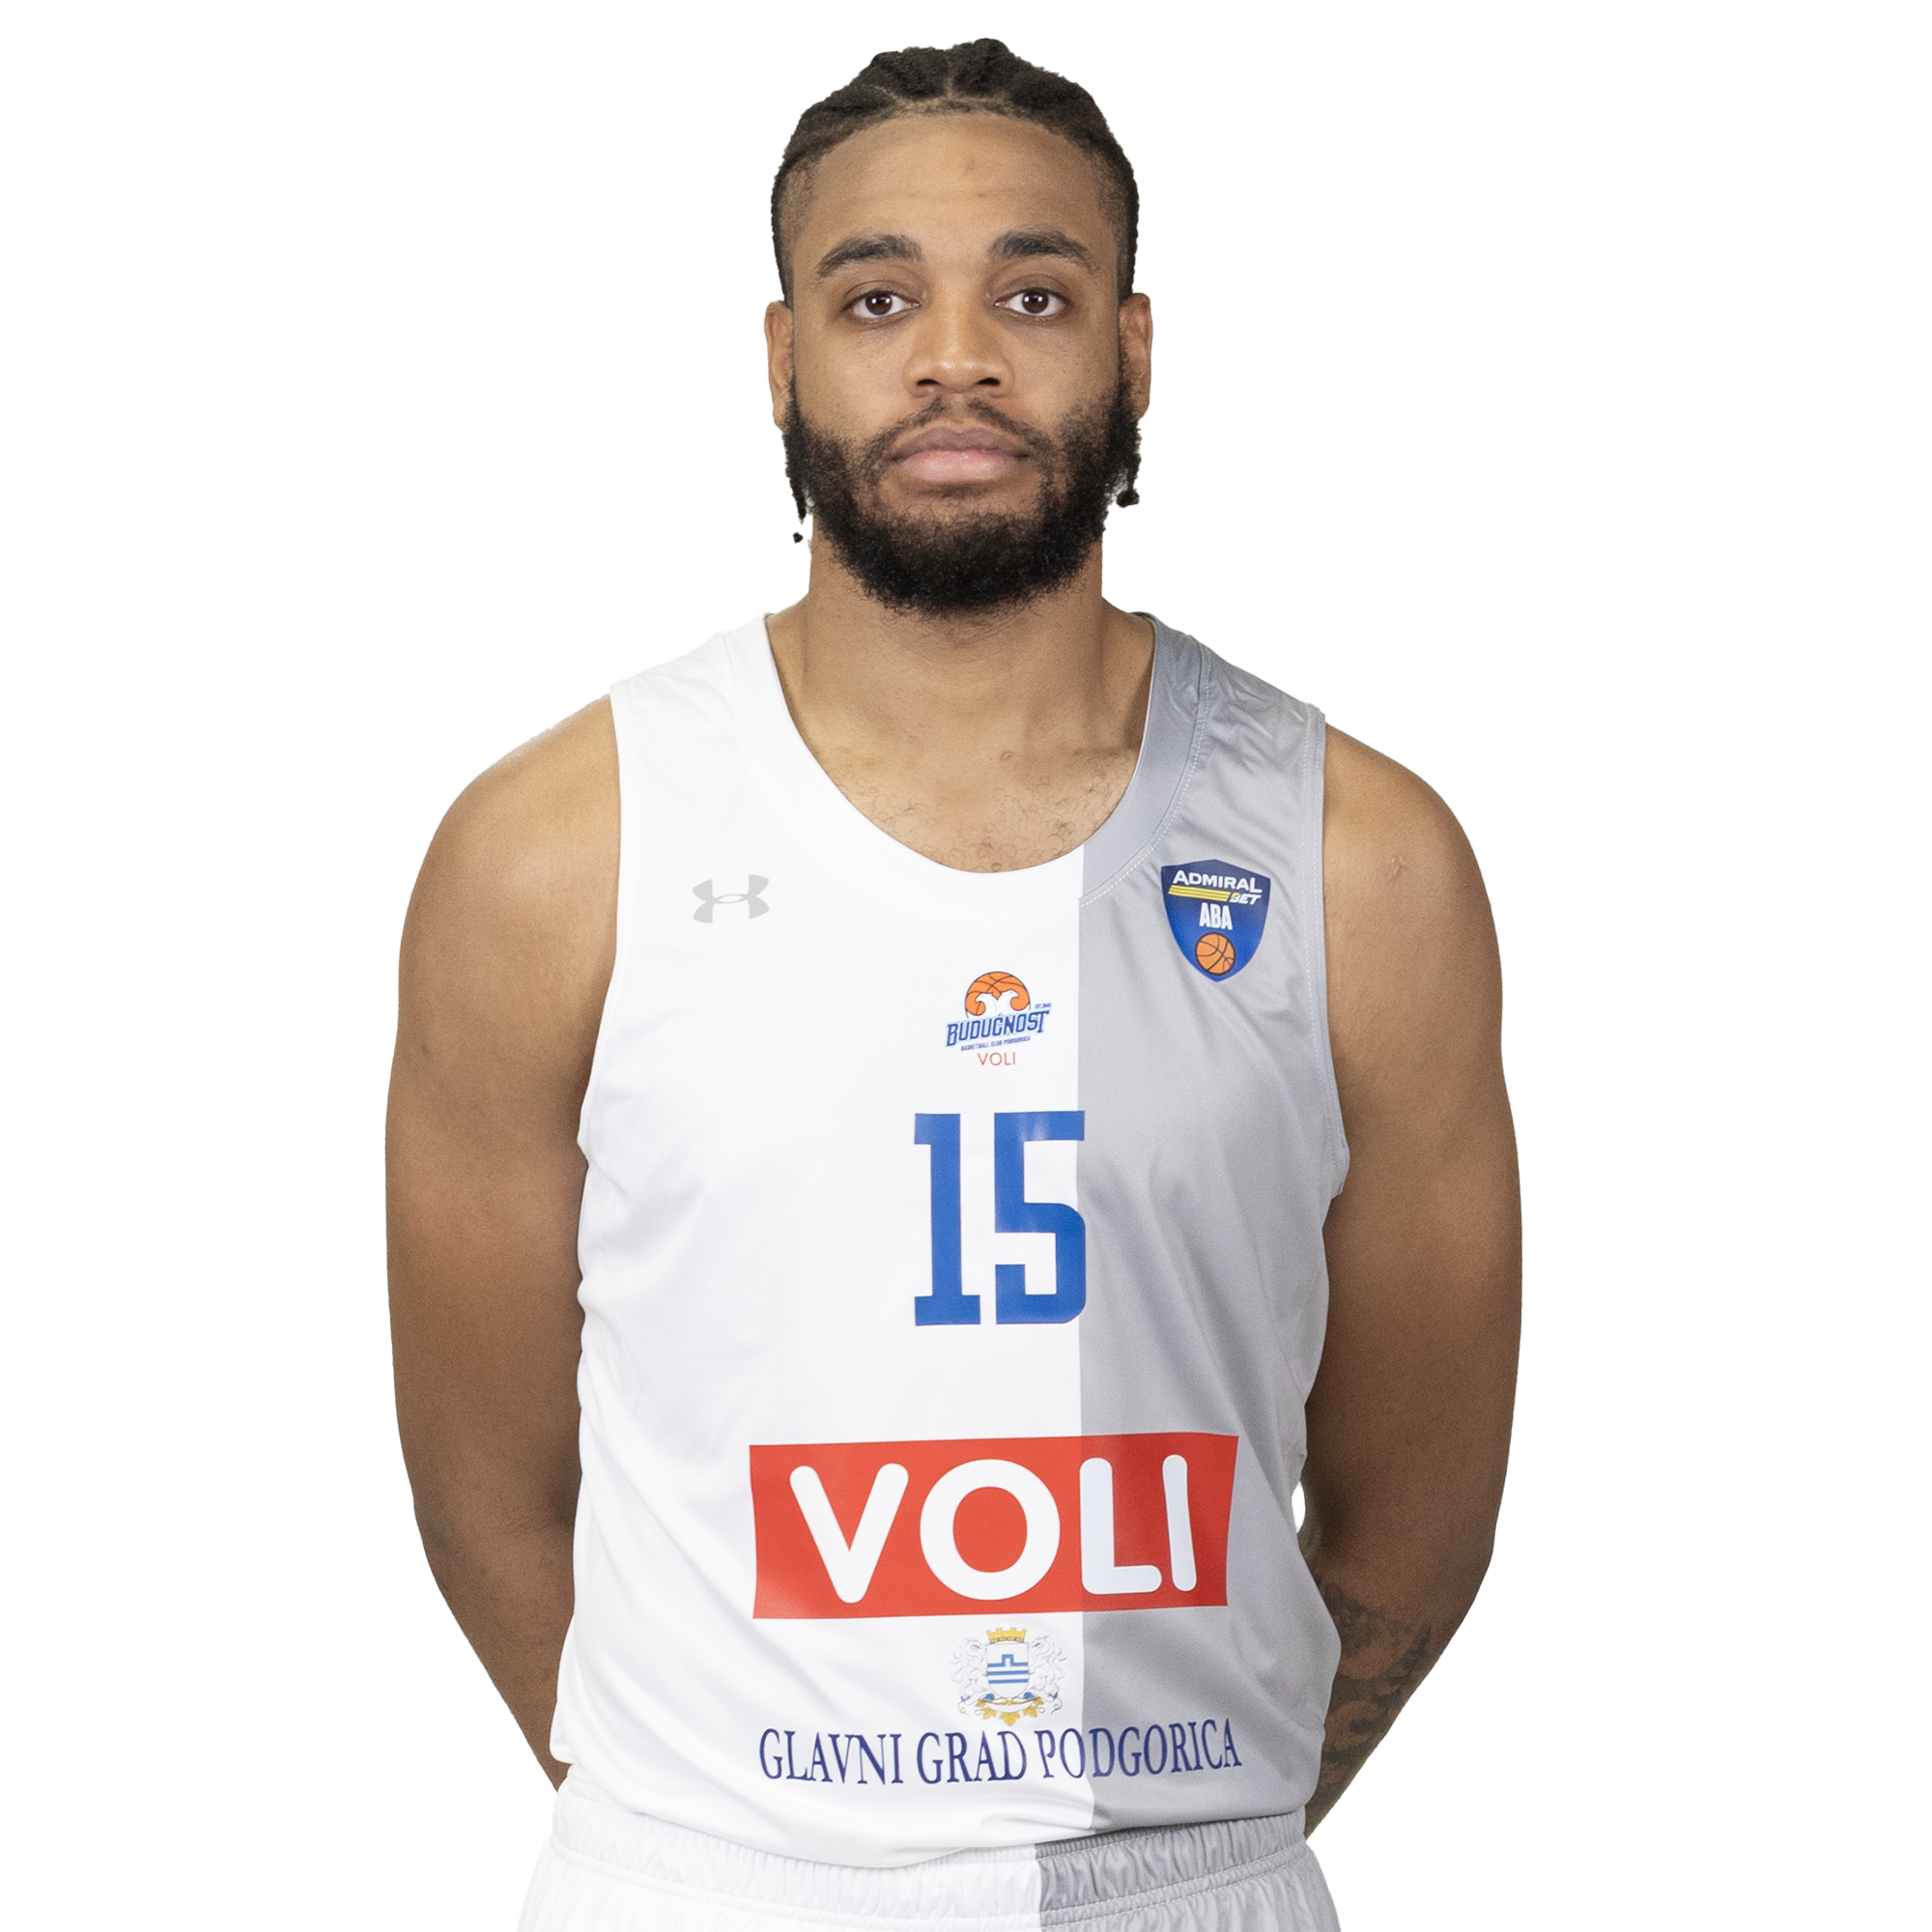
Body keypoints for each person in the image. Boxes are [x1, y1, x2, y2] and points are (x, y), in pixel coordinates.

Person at [387, 38, 1520, 1932]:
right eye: (878, 298)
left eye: (1034, 295)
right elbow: (484, 1488)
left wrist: (1170, 1841)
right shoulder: (552, 855)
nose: (957, 358)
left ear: (1132, 350)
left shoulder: (1360, 861)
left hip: (1190, 1883)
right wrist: (725, 1834)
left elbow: (1421, 1513)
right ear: (783, 360)